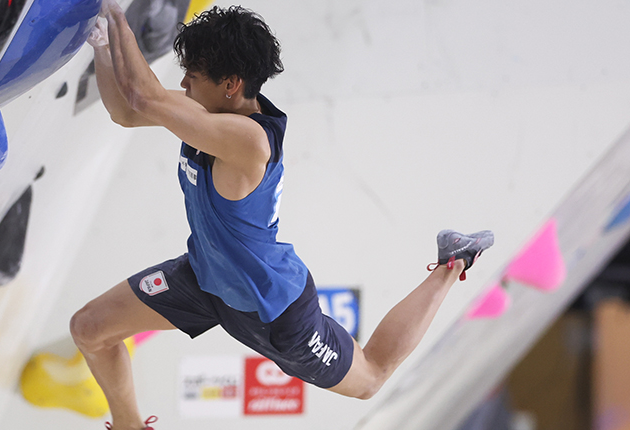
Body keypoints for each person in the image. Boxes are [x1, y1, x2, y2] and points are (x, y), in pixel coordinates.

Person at [69, 2, 494, 429]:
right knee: (89, 328)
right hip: (205, 279)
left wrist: (113, 13)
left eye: (192, 77)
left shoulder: (250, 142)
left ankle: (452, 261)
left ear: (231, 84)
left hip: (271, 310)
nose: (182, 84)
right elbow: (127, 111)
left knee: (370, 377)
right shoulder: (209, 111)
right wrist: (102, 44)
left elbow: (144, 96)